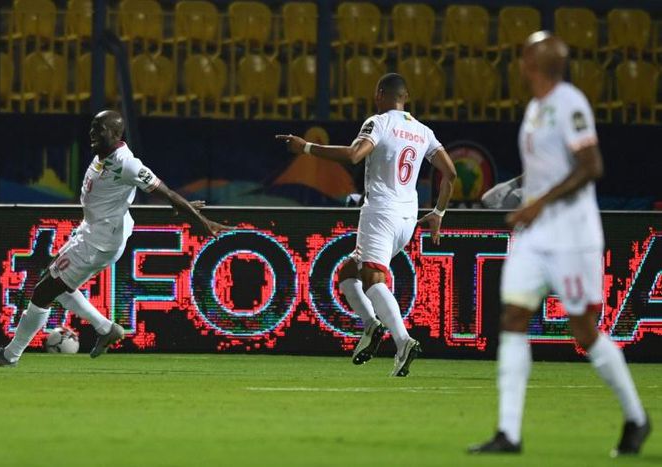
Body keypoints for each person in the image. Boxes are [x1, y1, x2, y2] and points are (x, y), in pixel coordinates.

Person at [469, 32, 650, 456]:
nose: (519, 62)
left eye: (524, 54)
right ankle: (508, 433)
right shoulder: (534, 108)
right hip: (534, 236)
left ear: (535, 62)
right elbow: (547, 169)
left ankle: (636, 417)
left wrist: (538, 204)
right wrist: (520, 194)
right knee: (513, 317)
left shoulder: (570, 104)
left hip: (572, 236)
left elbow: (591, 166)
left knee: (584, 331)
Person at [0, 110, 233, 367]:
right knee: (57, 287)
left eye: (100, 129)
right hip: (90, 232)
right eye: (92, 128)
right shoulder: (103, 156)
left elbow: (165, 191)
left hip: (99, 242)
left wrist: (201, 221)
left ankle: (10, 355)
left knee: (43, 292)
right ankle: (105, 328)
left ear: (117, 134)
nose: (93, 134)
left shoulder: (126, 163)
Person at [277, 73, 456, 377]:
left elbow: (353, 155)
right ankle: (372, 325)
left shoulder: (379, 122)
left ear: (381, 94)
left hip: (380, 213)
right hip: (408, 218)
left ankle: (403, 342)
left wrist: (306, 147)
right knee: (349, 271)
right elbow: (450, 174)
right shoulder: (424, 131)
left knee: (374, 278)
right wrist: (438, 212)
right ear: (407, 97)